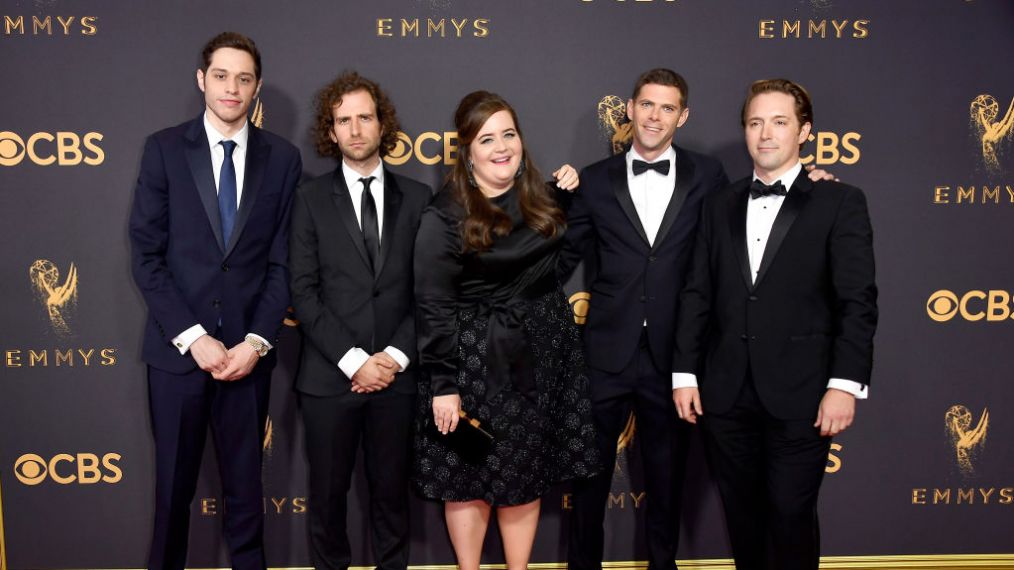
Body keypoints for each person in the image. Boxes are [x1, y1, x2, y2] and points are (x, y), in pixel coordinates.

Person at [673, 79, 877, 570]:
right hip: (725, 394)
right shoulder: (717, 205)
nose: (766, 134)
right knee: (742, 520)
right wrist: (685, 373)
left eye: (779, 122)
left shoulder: (840, 201)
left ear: (804, 131)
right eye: (755, 122)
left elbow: (857, 301)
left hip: (803, 394)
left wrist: (844, 385)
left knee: (790, 516)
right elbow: (698, 292)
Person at [129, 32, 302, 570]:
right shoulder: (163, 149)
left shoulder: (283, 159)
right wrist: (194, 338)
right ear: (202, 80)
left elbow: (284, 263)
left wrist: (254, 341)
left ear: (256, 88)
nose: (232, 88)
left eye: (244, 78)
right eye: (222, 76)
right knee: (172, 495)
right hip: (178, 357)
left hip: (249, 358)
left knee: (247, 497)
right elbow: (146, 255)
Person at [413, 90, 598, 570]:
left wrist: (571, 197)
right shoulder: (444, 215)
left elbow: (558, 266)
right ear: (467, 150)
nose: (501, 147)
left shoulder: (541, 196)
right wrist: (443, 385)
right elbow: (433, 305)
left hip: (541, 355)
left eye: (509, 134)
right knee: (469, 472)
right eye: (486, 138)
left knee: (524, 474)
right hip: (474, 361)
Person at [558, 68, 728, 570]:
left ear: (683, 115)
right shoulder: (592, 179)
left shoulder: (709, 175)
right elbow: (562, 258)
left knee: (668, 475)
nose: (655, 116)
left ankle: (662, 564)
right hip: (606, 351)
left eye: (667, 107)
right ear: (630, 109)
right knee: (588, 476)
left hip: (676, 357)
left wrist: (814, 182)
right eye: (647, 105)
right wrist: (550, 201)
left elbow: (742, 224)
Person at [288, 71, 431, 570]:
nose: (354, 129)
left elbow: (429, 292)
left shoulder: (418, 199)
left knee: (392, 500)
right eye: (342, 120)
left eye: (364, 118)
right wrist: (354, 362)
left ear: (381, 123)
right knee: (327, 501)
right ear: (330, 131)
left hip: (397, 379)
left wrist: (391, 357)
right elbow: (302, 294)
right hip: (329, 380)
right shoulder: (307, 200)